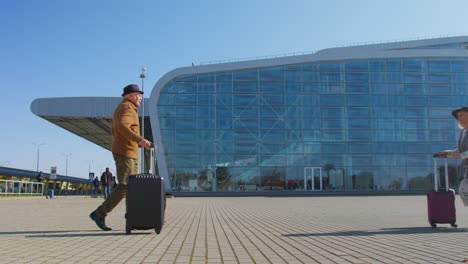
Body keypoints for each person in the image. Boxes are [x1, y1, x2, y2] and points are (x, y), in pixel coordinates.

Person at [89, 84, 152, 231]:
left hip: (128, 151)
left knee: (132, 188)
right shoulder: (127, 108)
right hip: (126, 152)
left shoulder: (125, 107)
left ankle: (132, 219)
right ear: (129, 95)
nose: (141, 98)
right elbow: (123, 126)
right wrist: (140, 139)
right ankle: (100, 213)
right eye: (138, 95)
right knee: (125, 185)